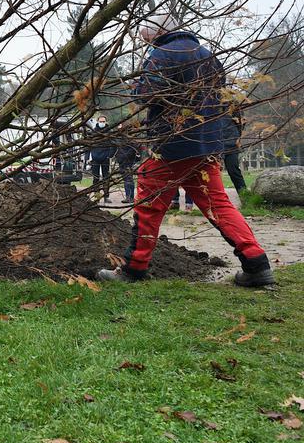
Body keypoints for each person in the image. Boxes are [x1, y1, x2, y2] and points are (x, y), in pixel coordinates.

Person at [97, 15, 274, 286]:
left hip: (171, 147)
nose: (144, 39)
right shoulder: (208, 56)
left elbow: (145, 95)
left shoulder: (163, 54)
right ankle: (257, 264)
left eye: (145, 35)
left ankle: (134, 269)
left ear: (157, 32)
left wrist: (135, 86)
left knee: (148, 205)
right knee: (220, 206)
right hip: (206, 147)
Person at [221, 97, 248, 194]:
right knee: (212, 174)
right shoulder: (209, 102)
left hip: (231, 143)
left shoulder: (233, 102)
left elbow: (241, 122)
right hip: (213, 143)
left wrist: (236, 136)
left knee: (233, 171)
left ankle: (245, 198)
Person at [89, 115, 114, 203]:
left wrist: (110, 155)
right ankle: (97, 196)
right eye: (101, 121)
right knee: (95, 178)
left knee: (106, 178)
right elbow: (89, 145)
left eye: (103, 121)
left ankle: (106, 196)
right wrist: (90, 156)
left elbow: (113, 145)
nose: (102, 123)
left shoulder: (109, 132)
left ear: (106, 122)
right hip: (95, 157)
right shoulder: (93, 132)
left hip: (105, 158)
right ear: (97, 121)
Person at [114, 137, 140, 204]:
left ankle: (129, 197)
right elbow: (118, 151)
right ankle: (129, 197)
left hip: (128, 162)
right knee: (127, 179)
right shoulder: (119, 140)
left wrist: (122, 157)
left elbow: (132, 151)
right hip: (123, 162)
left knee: (128, 179)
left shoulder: (131, 142)